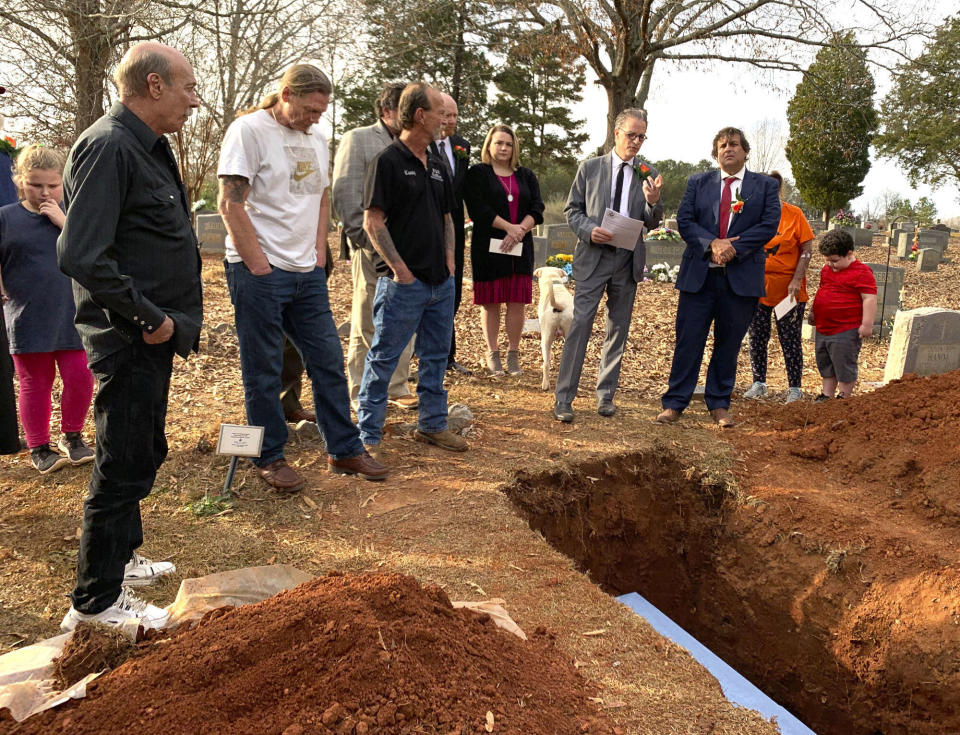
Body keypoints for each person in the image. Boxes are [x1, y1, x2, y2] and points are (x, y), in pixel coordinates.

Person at [57, 42, 204, 631]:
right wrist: (150, 318)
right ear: (153, 84)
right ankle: (95, 603)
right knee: (121, 462)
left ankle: (121, 557)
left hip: (152, 336)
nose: (195, 100)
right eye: (188, 87)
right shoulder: (109, 146)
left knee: (145, 449)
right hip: (129, 337)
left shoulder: (148, 147)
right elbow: (81, 253)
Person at [218, 63, 387, 492]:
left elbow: (322, 197)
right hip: (258, 271)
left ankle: (344, 449)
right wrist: (258, 263)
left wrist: (317, 254)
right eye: (310, 108)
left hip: (305, 273)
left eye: (321, 111)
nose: (316, 117)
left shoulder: (317, 138)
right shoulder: (248, 131)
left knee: (328, 361)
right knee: (264, 369)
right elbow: (230, 202)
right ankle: (269, 456)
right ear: (287, 94)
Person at [358, 83, 466, 453]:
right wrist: (401, 271)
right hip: (403, 286)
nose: (445, 119)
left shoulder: (436, 163)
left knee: (435, 357)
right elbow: (373, 222)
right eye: (439, 111)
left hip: (441, 282)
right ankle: (368, 434)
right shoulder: (386, 162)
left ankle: (432, 425)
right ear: (420, 115)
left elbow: (449, 218)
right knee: (384, 358)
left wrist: (450, 261)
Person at [657, 127, 780, 428]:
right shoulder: (697, 183)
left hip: (740, 280)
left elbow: (768, 225)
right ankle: (675, 403)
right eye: (723, 145)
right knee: (689, 341)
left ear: (745, 151)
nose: (729, 149)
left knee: (728, 344)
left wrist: (732, 248)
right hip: (699, 277)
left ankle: (719, 403)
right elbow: (685, 221)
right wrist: (712, 244)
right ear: (716, 153)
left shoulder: (763, 186)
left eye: (735, 144)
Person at [553, 108, 664, 422]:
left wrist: (653, 201)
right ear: (617, 133)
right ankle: (564, 399)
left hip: (627, 261)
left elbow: (653, 221)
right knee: (580, 325)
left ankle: (605, 396)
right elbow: (572, 210)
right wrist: (590, 230)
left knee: (618, 328)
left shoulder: (647, 172)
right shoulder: (589, 168)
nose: (637, 142)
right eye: (631, 135)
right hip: (593, 257)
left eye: (642, 136)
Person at [1, 145, 95, 474]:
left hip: (73, 312)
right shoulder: (6, 217)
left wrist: (62, 221)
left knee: (80, 376)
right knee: (35, 382)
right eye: (35, 184)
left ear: (63, 182)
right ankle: (40, 446)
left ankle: (73, 436)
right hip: (28, 314)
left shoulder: (73, 213)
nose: (44, 192)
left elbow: (91, 252)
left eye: (52, 185)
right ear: (20, 181)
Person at [332, 81, 418, 412]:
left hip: (409, 251)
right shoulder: (359, 139)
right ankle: (360, 392)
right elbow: (345, 194)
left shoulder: (413, 145)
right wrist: (368, 244)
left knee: (404, 320)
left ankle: (396, 386)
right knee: (368, 321)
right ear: (386, 111)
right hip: (372, 249)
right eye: (406, 110)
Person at [464, 123, 544, 375]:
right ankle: (492, 352)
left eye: (509, 144)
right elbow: (478, 208)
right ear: (489, 145)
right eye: (499, 143)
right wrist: (508, 227)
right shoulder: (478, 173)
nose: (504, 148)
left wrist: (520, 229)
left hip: (520, 247)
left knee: (517, 301)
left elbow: (537, 208)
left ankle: (512, 353)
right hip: (488, 246)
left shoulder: (526, 175)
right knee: (491, 302)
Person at [742, 171, 815, 403]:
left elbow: (807, 249)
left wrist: (796, 279)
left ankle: (794, 387)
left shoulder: (794, 215)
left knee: (789, 338)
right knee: (757, 336)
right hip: (759, 286)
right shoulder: (752, 214)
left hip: (788, 290)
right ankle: (759, 382)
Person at [808, 229, 877, 401]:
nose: (830, 264)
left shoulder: (862, 272)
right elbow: (822, 290)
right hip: (824, 327)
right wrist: (813, 311)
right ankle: (827, 394)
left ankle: (844, 396)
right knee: (826, 363)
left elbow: (869, 298)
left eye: (834, 261)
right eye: (827, 261)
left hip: (846, 328)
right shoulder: (827, 270)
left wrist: (867, 324)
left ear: (849, 254)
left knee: (843, 363)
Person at [431, 92, 473, 375]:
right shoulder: (421, 145)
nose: (450, 120)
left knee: (452, 290)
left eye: (454, 115)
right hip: (426, 227)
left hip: (455, 229)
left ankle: (447, 355)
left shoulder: (462, 146)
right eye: (445, 114)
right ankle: (422, 354)